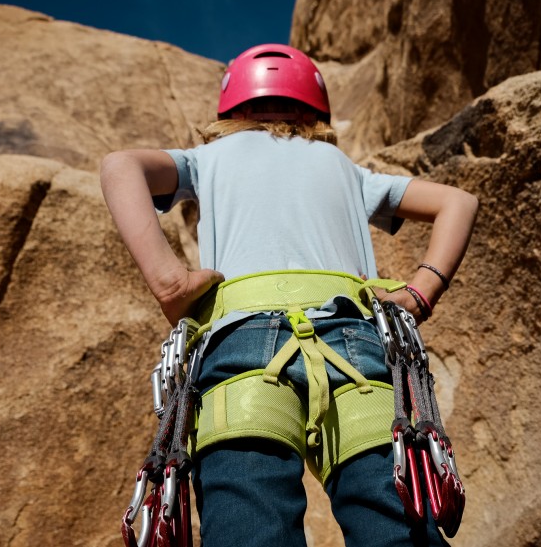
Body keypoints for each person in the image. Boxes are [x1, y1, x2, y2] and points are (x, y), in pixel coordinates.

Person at [101, 44, 478, 546]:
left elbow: (120, 165)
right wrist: (422, 289)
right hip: (354, 341)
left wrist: (169, 280)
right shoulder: (345, 169)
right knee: (394, 524)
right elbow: (458, 201)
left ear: (233, 109)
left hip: (242, 342)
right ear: (313, 110)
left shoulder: (207, 159)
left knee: (250, 524)